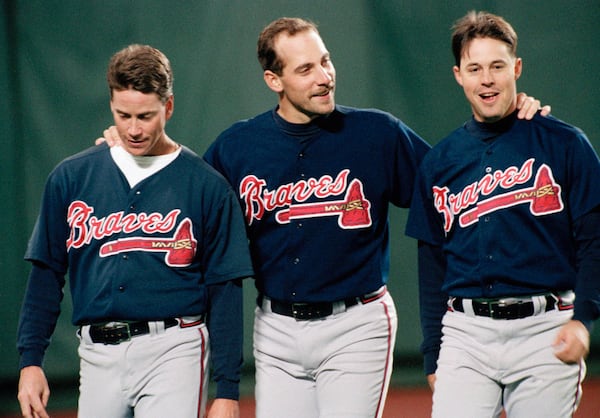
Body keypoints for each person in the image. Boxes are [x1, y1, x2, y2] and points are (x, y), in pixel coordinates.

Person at [99, 18, 545, 418]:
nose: (325, 77)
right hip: (274, 332)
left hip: (357, 324)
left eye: (325, 61)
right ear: (274, 79)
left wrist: (512, 122)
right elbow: (181, 198)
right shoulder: (237, 148)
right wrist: (134, 153)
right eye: (306, 69)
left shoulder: (377, 134)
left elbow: (462, 185)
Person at [16, 44, 253, 418]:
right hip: (96, 355)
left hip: (174, 349)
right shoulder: (71, 176)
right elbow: (46, 272)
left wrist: (226, 389)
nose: (133, 129)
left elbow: (225, 289)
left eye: (145, 115)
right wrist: (31, 360)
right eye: (122, 115)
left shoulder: (206, 185)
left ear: (168, 107)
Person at [406, 11, 600, 417]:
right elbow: (431, 264)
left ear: (517, 68)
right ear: (459, 75)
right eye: (475, 68)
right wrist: (432, 355)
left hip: (546, 329)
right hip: (466, 334)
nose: (487, 79)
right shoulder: (439, 161)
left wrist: (583, 319)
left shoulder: (564, 144)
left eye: (497, 66)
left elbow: (593, 239)